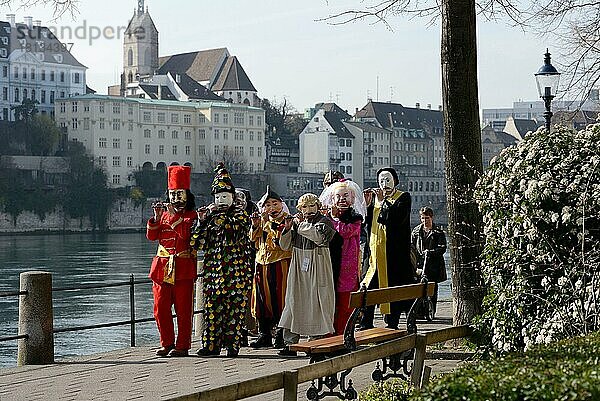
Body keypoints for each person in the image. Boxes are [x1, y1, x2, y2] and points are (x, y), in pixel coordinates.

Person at [190, 163, 253, 357]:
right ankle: (210, 345)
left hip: (236, 273)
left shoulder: (241, 215)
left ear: (233, 198)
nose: (221, 201)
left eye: (225, 197)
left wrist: (215, 216)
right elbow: (196, 243)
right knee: (211, 313)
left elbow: (232, 228)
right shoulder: (208, 219)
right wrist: (201, 222)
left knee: (234, 312)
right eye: (218, 197)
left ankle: (232, 346)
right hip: (214, 274)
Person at [146, 165, 197, 357]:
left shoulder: (192, 215)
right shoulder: (165, 214)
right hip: (162, 266)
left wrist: (174, 217)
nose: (176, 199)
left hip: (183, 266)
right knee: (160, 308)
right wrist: (156, 220)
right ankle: (166, 342)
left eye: (179, 194)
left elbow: (185, 236)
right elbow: (152, 237)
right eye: (173, 194)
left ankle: (182, 345)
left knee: (184, 310)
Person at [278, 193, 337, 356]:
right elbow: (284, 246)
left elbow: (318, 238)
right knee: (293, 301)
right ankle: (290, 343)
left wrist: (299, 224)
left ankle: (315, 342)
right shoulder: (297, 223)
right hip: (298, 265)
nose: (309, 210)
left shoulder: (325, 221)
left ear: (318, 206)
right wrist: (288, 228)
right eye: (305, 207)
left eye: (312, 206)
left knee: (316, 302)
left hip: (317, 264)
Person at [360, 167, 415, 330]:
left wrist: (383, 202)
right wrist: (368, 205)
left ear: (395, 181)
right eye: (381, 181)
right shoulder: (376, 201)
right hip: (374, 257)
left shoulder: (403, 198)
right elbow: (367, 224)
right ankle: (366, 322)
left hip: (394, 258)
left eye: (388, 180)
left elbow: (394, 219)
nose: (385, 184)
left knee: (393, 290)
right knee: (368, 288)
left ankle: (392, 323)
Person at [320, 180, 366, 335]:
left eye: (345, 196)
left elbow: (345, 232)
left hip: (347, 265)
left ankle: (342, 333)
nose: (342, 200)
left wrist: (334, 219)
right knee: (330, 300)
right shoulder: (326, 218)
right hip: (330, 262)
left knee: (345, 302)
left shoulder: (355, 218)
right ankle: (328, 333)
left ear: (352, 199)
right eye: (338, 196)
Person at [249, 186, 293, 349]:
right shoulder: (261, 220)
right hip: (262, 263)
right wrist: (254, 225)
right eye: (268, 205)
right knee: (261, 299)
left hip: (281, 262)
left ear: (281, 204)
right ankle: (264, 334)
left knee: (280, 299)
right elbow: (253, 239)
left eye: (275, 203)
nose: (271, 208)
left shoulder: (287, 220)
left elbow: (284, 242)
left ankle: (281, 334)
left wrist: (273, 226)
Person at [411, 206, 447, 317]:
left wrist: (431, 252)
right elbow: (412, 247)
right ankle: (420, 311)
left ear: (431, 218)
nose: (425, 220)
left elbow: (443, 248)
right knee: (418, 287)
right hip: (420, 264)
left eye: (427, 218)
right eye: (423, 218)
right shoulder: (416, 231)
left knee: (432, 290)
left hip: (433, 265)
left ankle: (431, 311)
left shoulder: (438, 233)